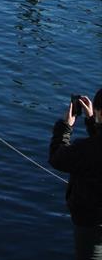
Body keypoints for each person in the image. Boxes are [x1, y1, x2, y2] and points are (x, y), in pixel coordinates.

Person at [48, 88, 102, 259]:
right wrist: (93, 121)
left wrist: (66, 127)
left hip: (90, 222)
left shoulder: (86, 149)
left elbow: (57, 158)